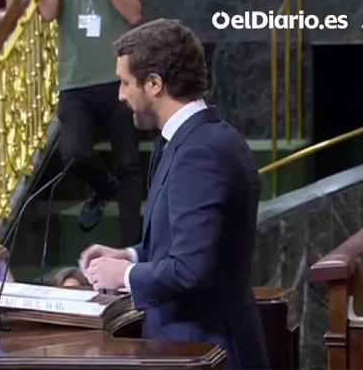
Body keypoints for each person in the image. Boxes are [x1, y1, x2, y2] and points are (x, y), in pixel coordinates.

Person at [79, 19, 270, 369]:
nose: (120, 95)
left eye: (124, 83)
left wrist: (122, 277)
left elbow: (191, 269)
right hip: (189, 347)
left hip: (207, 351)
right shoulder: (184, 141)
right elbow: (184, 243)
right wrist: (129, 256)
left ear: (154, 83)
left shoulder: (200, 152)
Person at [39, 0, 143, 247]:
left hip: (119, 81)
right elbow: (48, 13)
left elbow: (135, 15)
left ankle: (131, 248)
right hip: (75, 84)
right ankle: (106, 188)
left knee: (128, 164)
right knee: (73, 153)